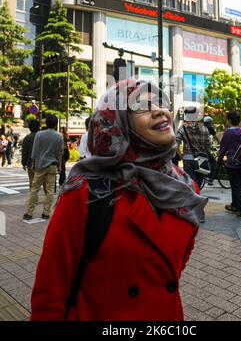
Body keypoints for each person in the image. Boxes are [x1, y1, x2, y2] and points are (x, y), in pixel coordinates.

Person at [30, 79, 206, 321]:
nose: (159, 110)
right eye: (142, 107)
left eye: (160, 102)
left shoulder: (185, 186)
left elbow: (175, 262)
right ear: (119, 122)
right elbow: (50, 290)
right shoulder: (86, 192)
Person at [23, 114, 64, 221]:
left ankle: (29, 213)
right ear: (56, 124)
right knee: (50, 191)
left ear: (46, 123)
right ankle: (46, 213)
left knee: (34, 189)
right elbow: (60, 153)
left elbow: (35, 151)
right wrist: (59, 165)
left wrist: (33, 163)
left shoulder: (39, 134)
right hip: (52, 165)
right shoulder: (59, 136)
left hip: (40, 165)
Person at [217, 111, 241, 220]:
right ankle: (234, 205)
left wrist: (218, 162)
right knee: (237, 186)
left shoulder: (228, 133)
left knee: (235, 188)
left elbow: (222, 149)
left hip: (232, 165)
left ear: (229, 120)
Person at [176, 107, 211, 203]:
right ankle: (197, 201)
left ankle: (194, 203)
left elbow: (175, 145)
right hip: (202, 160)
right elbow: (208, 146)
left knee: (191, 184)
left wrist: (182, 156)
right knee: (198, 184)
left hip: (188, 159)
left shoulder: (182, 129)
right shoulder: (205, 129)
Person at [22, 120, 40, 191]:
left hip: (30, 162)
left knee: (32, 180)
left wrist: (23, 163)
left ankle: (34, 198)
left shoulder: (27, 138)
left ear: (29, 128)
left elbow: (24, 152)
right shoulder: (41, 136)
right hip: (41, 162)